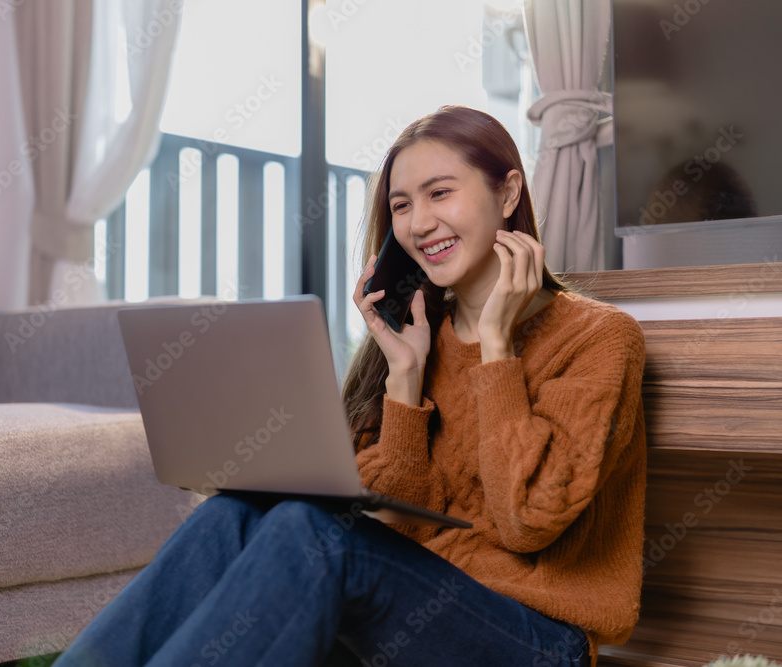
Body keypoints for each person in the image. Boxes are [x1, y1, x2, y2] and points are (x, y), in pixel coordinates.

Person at [54, 105, 647, 667]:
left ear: (509, 192)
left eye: (440, 193)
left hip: (536, 641)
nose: (419, 222)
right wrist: (406, 379)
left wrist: (497, 348)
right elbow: (393, 522)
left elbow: (526, 520)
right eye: (401, 205)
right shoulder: (417, 340)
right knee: (232, 513)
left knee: (310, 535)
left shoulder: (599, 337)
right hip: (406, 611)